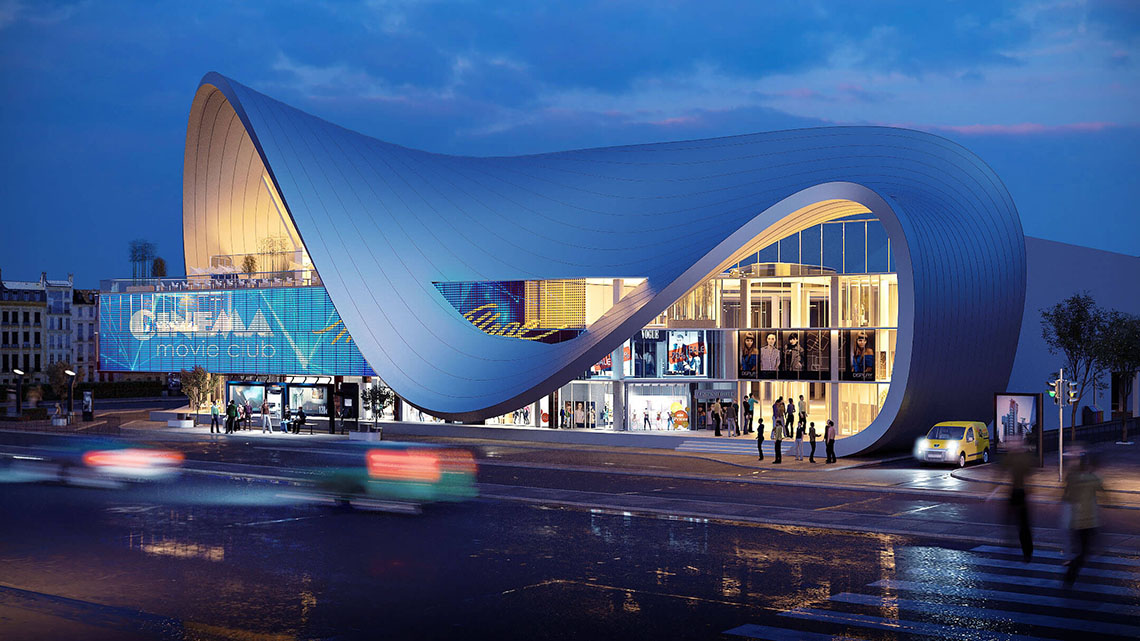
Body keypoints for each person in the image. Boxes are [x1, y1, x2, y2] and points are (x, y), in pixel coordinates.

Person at [1063, 453, 1105, 586]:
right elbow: (1104, 492)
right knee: (1085, 552)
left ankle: (1071, 568)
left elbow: (1067, 497)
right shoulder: (1093, 479)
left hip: (1075, 520)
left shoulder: (1072, 478)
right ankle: (1071, 572)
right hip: (1089, 520)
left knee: (1082, 548)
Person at [1002, 441, 1035, 562]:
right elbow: (1003, 472)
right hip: (1014, 491)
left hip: (1021, 492)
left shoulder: (1023, 458)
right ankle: (1020, 547)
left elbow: (1029, 475)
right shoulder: (1011, 456)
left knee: (1022, 523)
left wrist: (1030, 490)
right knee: (1014, 520)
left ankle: (1027, 550)